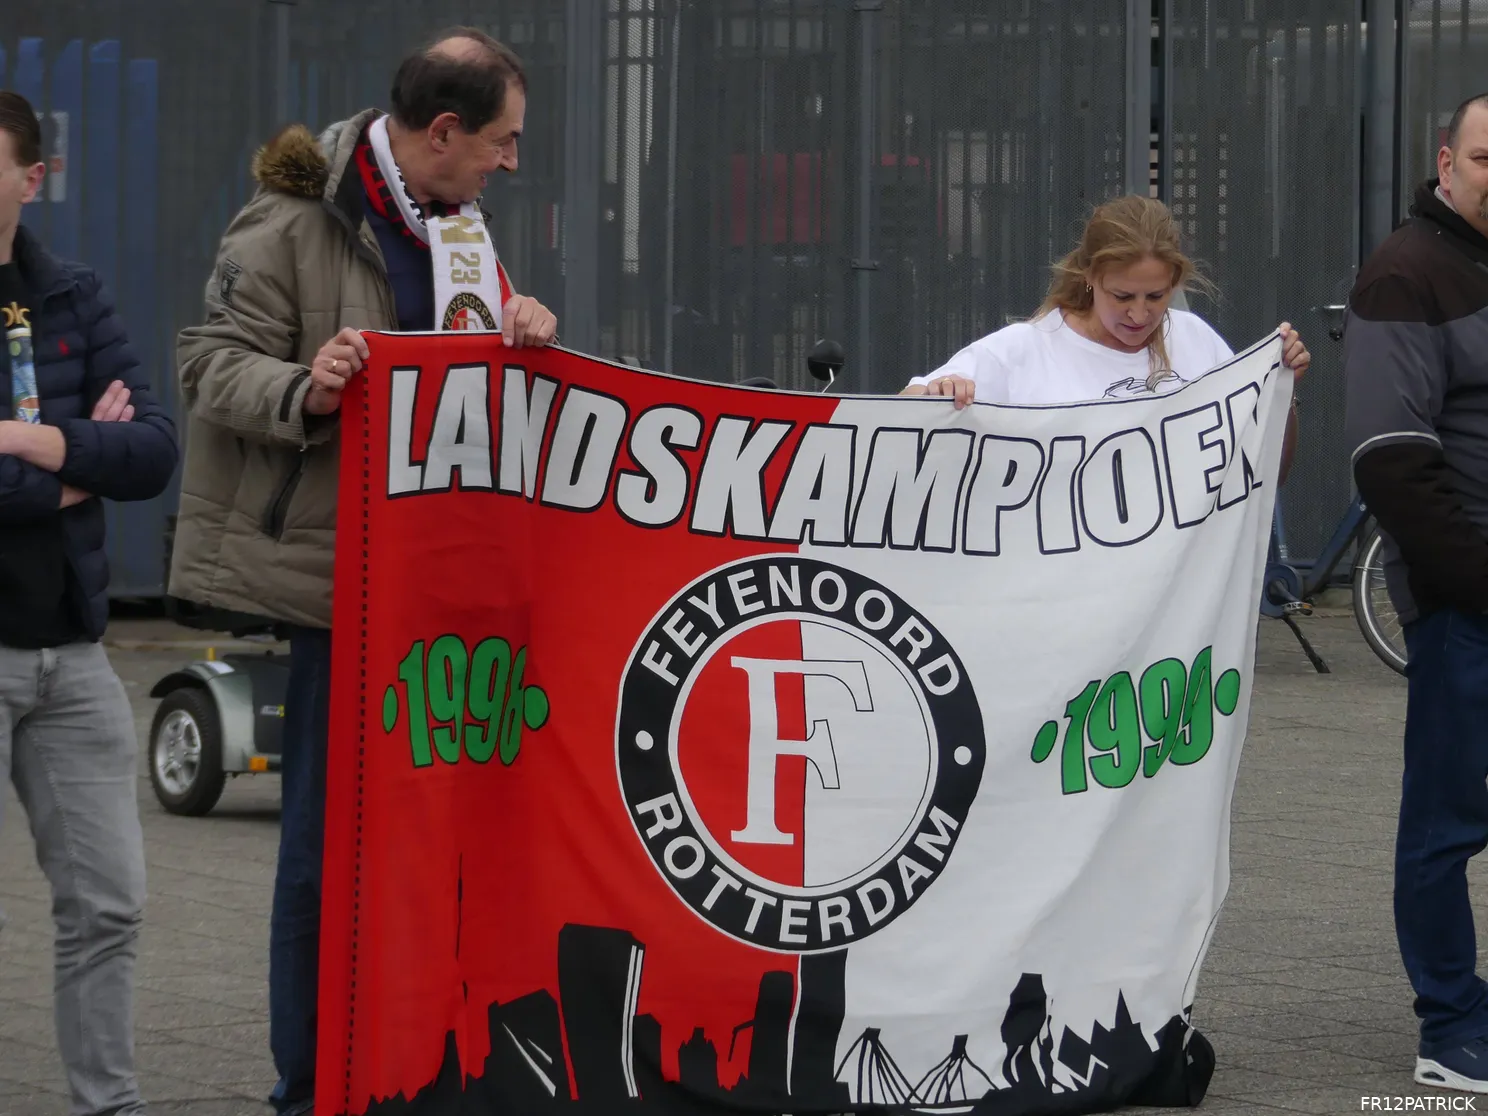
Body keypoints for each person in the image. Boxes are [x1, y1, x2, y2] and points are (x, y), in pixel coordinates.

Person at [167, 29, 558, 1116]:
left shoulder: (462, 223)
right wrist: (310, 385)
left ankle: (413, 1060)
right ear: (444, 134)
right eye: (502, 141)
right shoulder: (292, 218)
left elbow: (469, 358)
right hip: (337, 585)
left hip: (439, 591)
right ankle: (309, 1084)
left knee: (436, 845)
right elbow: (206, 362)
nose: (511, 163)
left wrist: (522, 325)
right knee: (321, 856)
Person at [0, 90, 179, 1114]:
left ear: (32, 179)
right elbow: (109, 459)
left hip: (72, 652)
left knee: (108, 905)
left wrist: (29, 441)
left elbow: (152, 449)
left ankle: (105, 1106)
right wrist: (75, 464)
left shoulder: (70, 295)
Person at [1343, 91, 1488, 1095]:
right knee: (1447, 823)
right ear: (1449, 161)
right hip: (1468, 608)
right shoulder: (1407, 272)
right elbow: (1391, 460)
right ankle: (1450, 1027)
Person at [901, 195, 1308, 479]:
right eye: (1122, 296)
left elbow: (1261, 472)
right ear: (1090, 277)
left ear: (1176, 282)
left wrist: (1281, 388)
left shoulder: (1197, 339)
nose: (1139, 313)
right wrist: (938, 394)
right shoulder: (1025, 348)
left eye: (1156, 296)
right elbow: (902, 415)